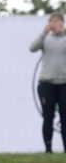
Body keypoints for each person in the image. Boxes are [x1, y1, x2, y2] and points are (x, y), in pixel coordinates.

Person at [31, 12, 66, 152]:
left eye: (58, 22)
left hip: (64, 83)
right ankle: (48, 149)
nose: (56, 25)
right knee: (48, 117)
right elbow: (32, 47)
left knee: (65, 118)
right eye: (53, 22)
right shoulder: (45, 38)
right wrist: (44, 32)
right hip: (47, 83)